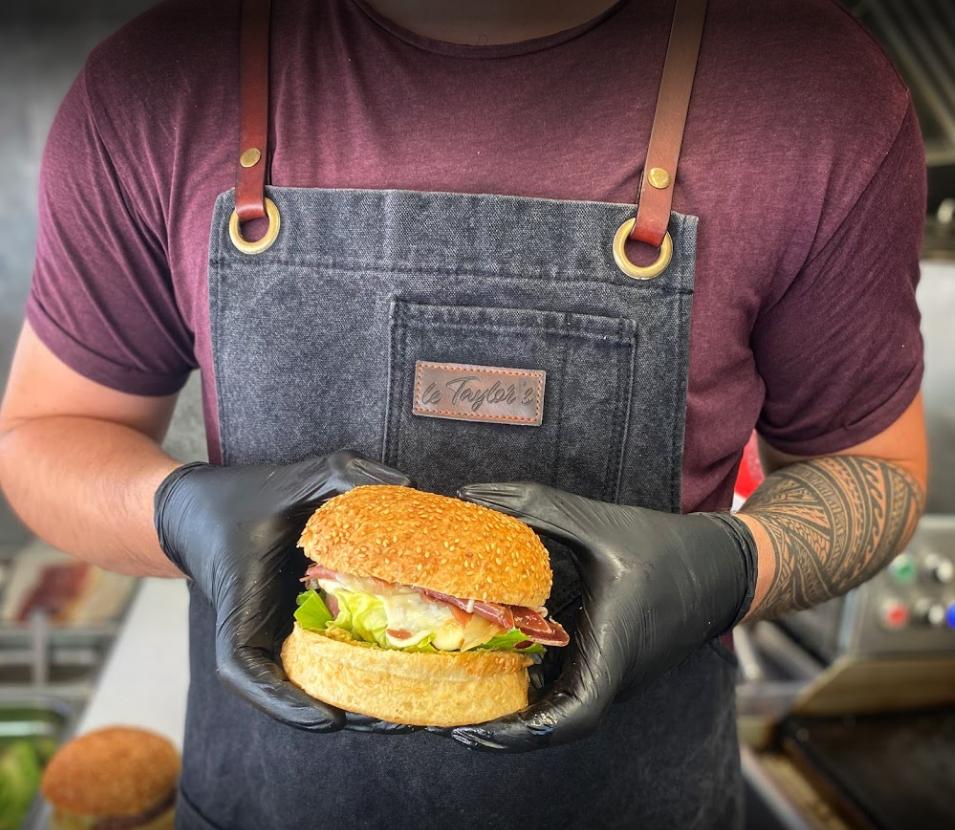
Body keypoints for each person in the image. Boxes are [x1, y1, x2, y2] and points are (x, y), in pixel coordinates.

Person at [0, 0, 927, 827]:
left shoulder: (810, 87)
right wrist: (177, 514)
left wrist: (731, 566)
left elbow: (878, 469)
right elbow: (43, 435)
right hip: (258, 796)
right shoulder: (160, 80)